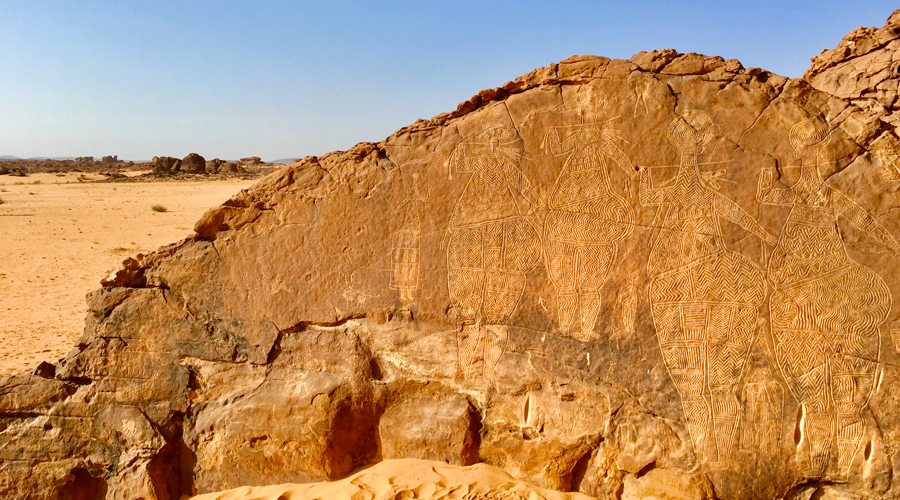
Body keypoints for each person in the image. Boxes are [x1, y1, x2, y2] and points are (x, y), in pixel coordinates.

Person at [758, 118, 900, 478]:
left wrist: (891, 243)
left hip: (829, 288)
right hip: (801, 294)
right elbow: (772, 196)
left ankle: (846, 457)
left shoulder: (826, 196)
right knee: (817, 385)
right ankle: (825, 456)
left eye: (815, 150)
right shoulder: (806, 195)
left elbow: (862, 219)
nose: (814, 158)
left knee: (843, 380)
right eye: (810, 150)